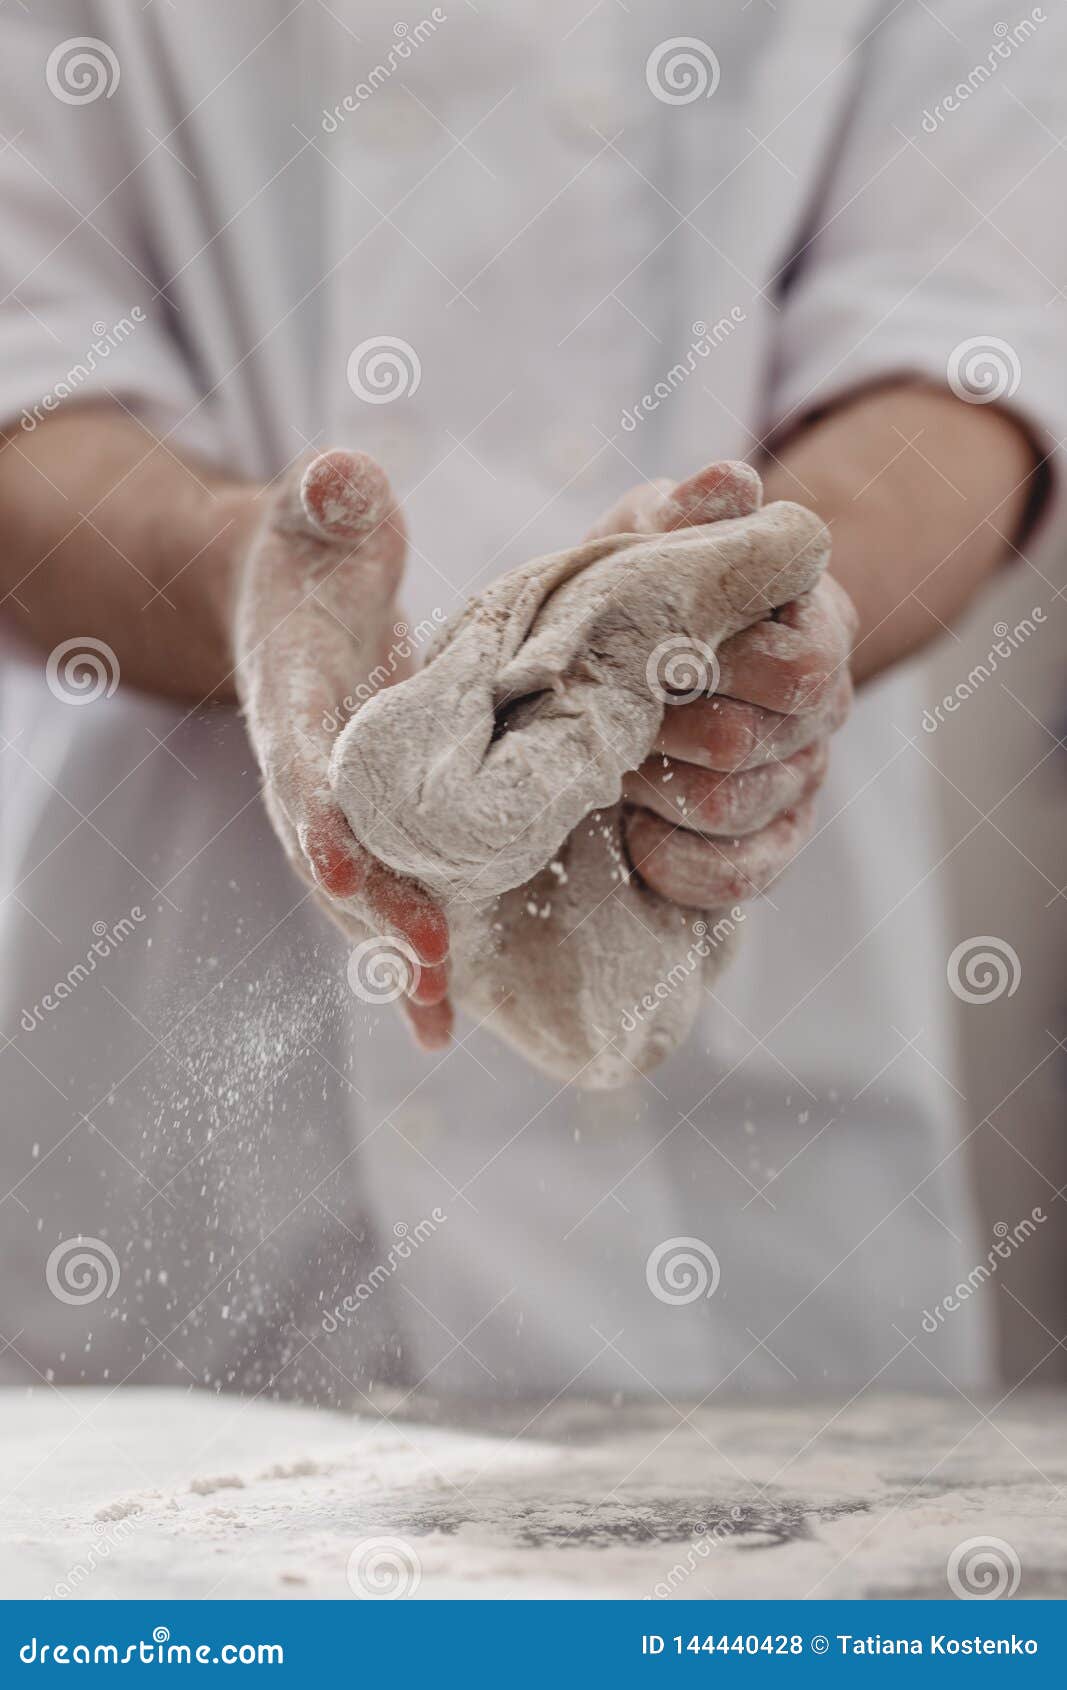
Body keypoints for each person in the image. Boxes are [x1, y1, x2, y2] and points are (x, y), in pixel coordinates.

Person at [1, 0, 1061, 1409]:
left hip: (755, 1170)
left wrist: (757, 605)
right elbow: (26, 369)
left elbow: (969, 347)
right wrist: (240, 576)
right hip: (178, 1086)